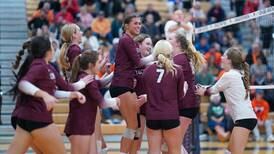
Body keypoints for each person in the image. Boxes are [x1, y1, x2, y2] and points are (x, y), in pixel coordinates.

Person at [7, 36, 86, 154]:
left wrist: (71, 94)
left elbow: (57, 89)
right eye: (52, 45)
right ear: (48, 51)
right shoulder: (39, 65)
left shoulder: (48, 67)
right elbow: (23, 84)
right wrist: (44, 95)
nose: (54, 48)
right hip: (38, 118)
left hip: (25, 120)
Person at [196, 47, 257, 154]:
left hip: (244, 119)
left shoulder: (229, 75)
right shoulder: (239, 73)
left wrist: (200, 90)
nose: (221, 58)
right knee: (228, 152)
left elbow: (212, 90)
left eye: (223, 56)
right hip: (245, 118)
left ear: (229, 60)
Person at [109, 14, 154, 153]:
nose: (138, 26)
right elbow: (138, 62)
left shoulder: (130, 41)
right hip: (122, 85)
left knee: (137, 126)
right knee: (132, 125)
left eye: (140, 23)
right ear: (126, 25)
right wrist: (157, 55)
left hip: (126, 85)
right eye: (135, 23)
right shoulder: (126, 40)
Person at [65, 51, 120, 154]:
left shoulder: (86, 77)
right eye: (99, 62)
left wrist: (114, 73)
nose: (101, 64)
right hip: (79, 127)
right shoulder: (87, 80)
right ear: (90, 65)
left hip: (83, 125)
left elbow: (101, 83)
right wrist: (116, 101)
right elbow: (102, 103)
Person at [143, 40, 185, 154]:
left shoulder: (147, 71)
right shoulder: (177, 70)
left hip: (152, 116)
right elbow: (180, 96)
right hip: (170, 115)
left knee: (154, 151)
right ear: (170, 53)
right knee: (174, 151)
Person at [167, 30, 204, 153]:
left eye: (170, 38)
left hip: (186, 105)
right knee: (173, 143)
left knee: (174, 143)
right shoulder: (182, 58)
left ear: (177, 43)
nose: (168, 40)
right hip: (187, 105)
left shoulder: (179, 59)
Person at [130, 34, 153, 154]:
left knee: (154, 139)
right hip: (137, 103)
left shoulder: (153, 62)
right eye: (147, 44)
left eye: (151, 44)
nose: (150, 47)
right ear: (139, 45)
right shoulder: (133, 61)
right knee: (136, 135)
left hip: (151, 103)